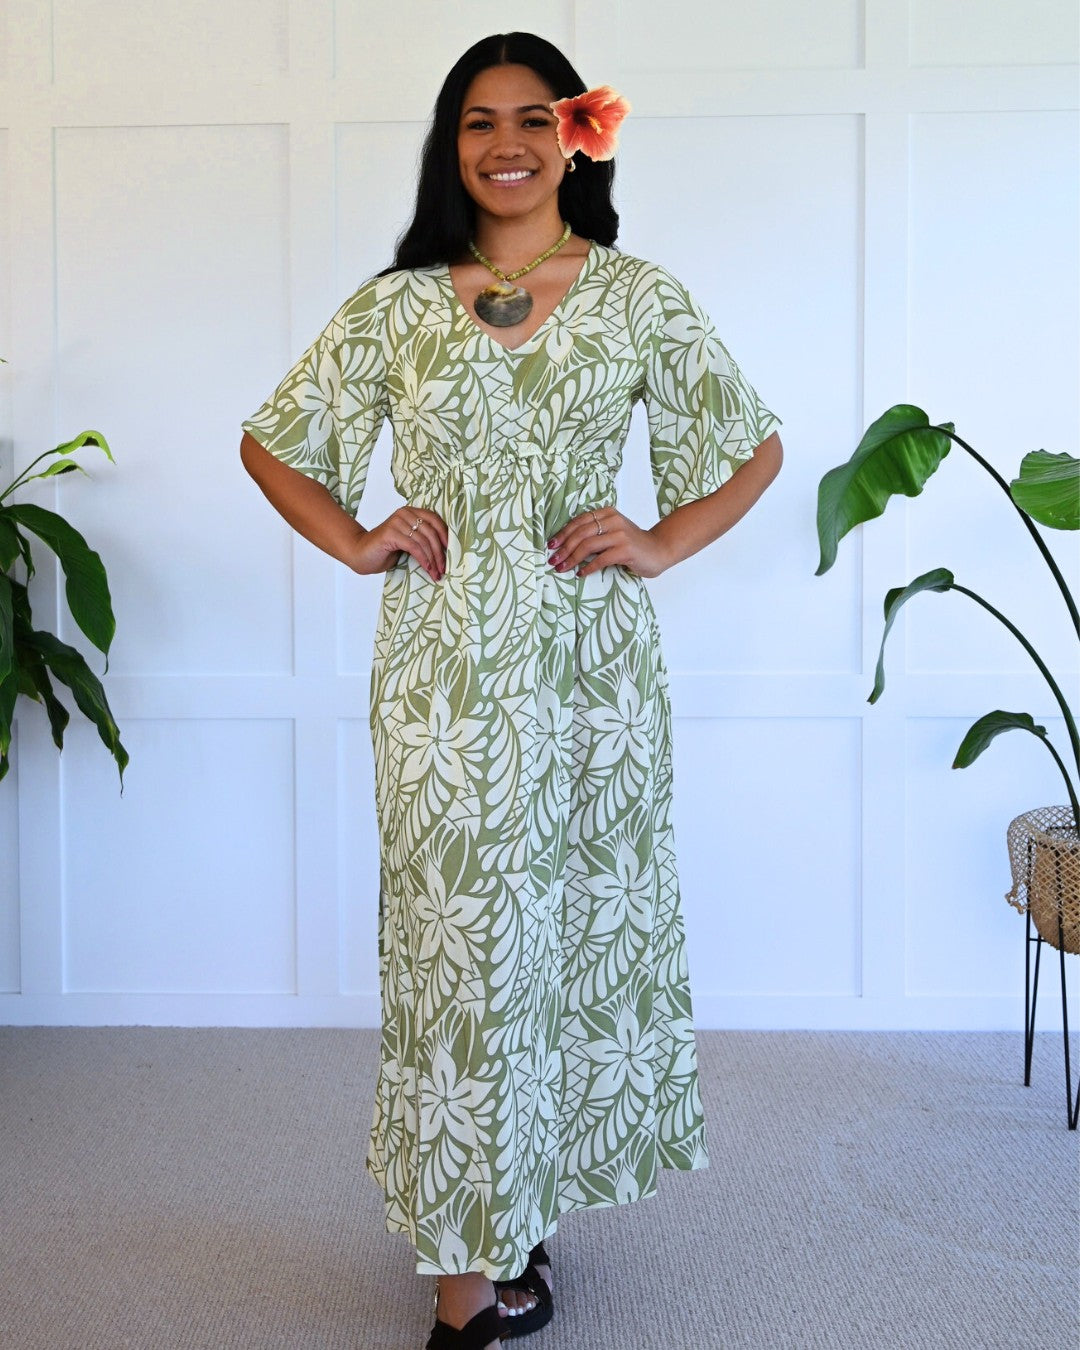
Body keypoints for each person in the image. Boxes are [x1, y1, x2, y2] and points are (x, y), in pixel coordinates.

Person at [240, 31, 782, 1350]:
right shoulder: (398, 304)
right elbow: (276, 444)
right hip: (444, 681)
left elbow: (752, 445)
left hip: (592, 682)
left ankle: (506, 1202)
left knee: (555, 943)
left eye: (532, 118)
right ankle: (465, 1300)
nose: (505, 144)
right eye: (478, 121)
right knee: (459, 952)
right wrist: (363, 534)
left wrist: (656, 537)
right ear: (451, 142)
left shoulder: (639, 296)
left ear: (575, 135)